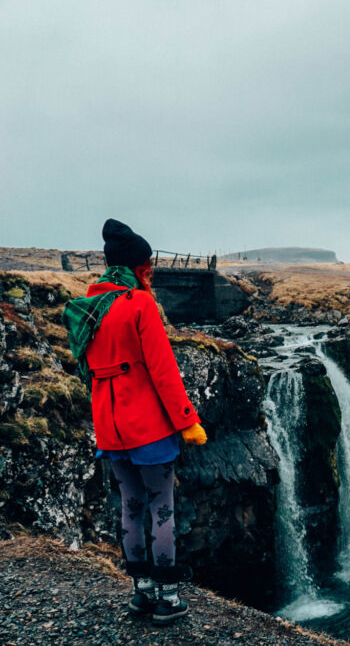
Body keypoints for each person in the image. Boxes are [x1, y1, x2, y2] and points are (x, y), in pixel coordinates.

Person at [63, 219, 207, 625]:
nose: (151, 271)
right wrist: (187, 422)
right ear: (135, 267)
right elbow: (163, 370)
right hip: (148, 427)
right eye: (147, 265)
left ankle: (141, 593)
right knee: (162, 507)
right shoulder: (139, 304)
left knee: (130, 506)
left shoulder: (88, 306)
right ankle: (169, 596)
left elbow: (89, 371)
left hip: (109, 426)